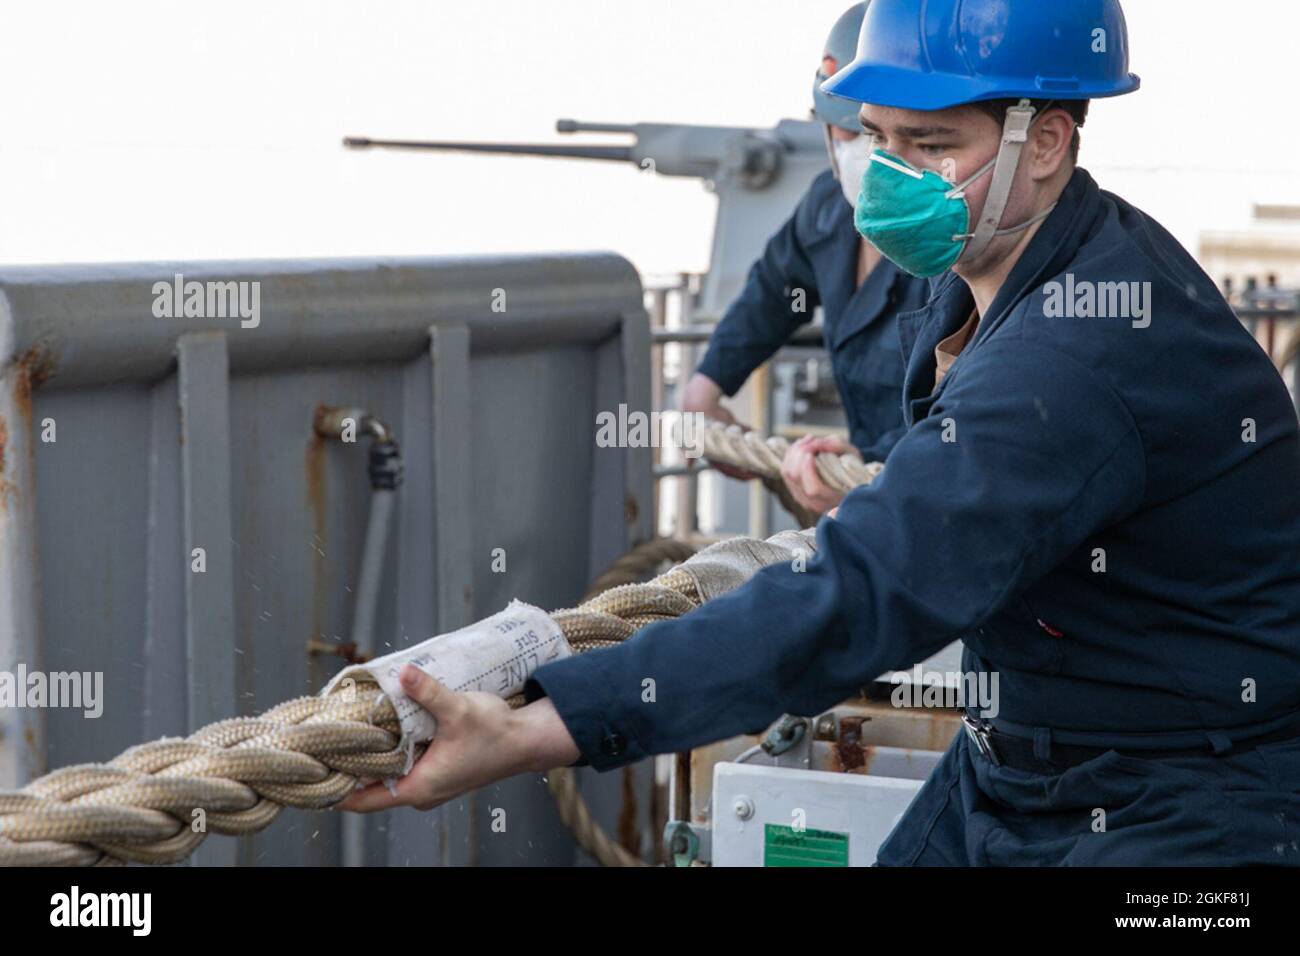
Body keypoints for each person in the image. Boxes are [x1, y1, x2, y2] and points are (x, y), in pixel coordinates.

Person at [341, 0, 1300, 866]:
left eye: (929, 146)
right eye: (876, 138)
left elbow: (865, 591)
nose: (890, 177)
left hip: (1186, 802)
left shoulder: (1074, 352)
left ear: (1044, 141)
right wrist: (895, 490)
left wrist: (545, 728)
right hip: (1020, 764)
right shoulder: (997, 268)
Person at [681, 2, 930, 514]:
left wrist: (867, 461)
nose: (867, 150)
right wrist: (707, 386)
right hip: (858, 487)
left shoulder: (954, 244)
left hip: (922, 490)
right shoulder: (826, 211)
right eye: (851, 132)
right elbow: (774, 291)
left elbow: (967, 399)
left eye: (883, 134)